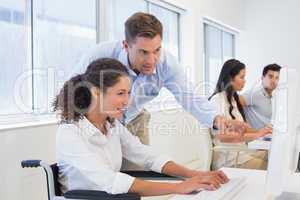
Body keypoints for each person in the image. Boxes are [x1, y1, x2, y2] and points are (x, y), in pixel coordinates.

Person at [74, 12, 247, 169]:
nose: (152, 60)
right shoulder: (100, 55)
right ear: (126, 45)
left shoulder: (167, 64)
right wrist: (89, 125)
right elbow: (73, 91)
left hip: (135, 119)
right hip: (98, 121)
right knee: (100, 175)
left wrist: (217, 120)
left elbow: (189, 98)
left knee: (138, 175)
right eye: (143, 52)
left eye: (157, 50)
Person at [53, 58, 229, 196]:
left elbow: (147, 156)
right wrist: (179, 187)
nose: (127, 101)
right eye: (120, 93)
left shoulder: (112, 126)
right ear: (96, 92)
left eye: (128, 93)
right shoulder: (70, 132)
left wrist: (193, 174)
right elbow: (110, 181)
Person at [208, 59, 272, 170]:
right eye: (242, 77)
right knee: (272, 166)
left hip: (241, 154)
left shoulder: (233, 100)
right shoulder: (217, 100)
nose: (244, 81)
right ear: (230, 79)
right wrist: (257, 135)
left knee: (273, 156)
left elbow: (243, 129)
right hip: (229, 161)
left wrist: (264, 132)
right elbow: (223, 136)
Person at [240, 64, 282, 130]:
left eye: (277, 78)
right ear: (262, 78)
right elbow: (233, 103)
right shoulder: (255, 93)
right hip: (256, 138)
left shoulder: (275, 96)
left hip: (268, 136)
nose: (274, 81)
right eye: (270, 77)